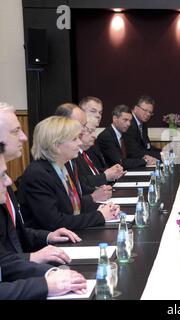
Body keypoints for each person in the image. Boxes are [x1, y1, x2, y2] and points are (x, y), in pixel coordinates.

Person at [0, 141, 87, 299]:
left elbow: (4, 259)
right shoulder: (37, 172)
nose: (9, 182)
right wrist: (46, 285)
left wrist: (51, 273)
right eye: (2, 175)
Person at [0, 102, 81, 265]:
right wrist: (32, 259)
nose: (24, 137)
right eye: (16, 131)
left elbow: (17, 233)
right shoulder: (36, 173)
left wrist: (48, 236)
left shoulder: (5, 178)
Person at [18, 116, 120, 231]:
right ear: (56, 144)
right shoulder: (37, 174)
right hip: (49, 245)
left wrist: (104, 208)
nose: (80, 143)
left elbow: (74, 205)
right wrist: (100, 216)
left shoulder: (64, 167)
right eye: (74, 139)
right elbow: (54, 222)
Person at [55, 103, 112, 202]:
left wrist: (99, 192)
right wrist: (93, 198)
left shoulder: (71, 156)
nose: (83, 130)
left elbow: (81, 188)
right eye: (82, 125)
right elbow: (65, 209)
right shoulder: (48, 168)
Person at [97, 104, 148, 170]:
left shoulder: (125, 134)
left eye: (130, 121)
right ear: (115, 119)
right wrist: (145, 161)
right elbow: (120, 162)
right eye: (125, 120)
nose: (128, 124)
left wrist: (144, 157)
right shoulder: (106, 137)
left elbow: (132, 154)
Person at [124, 94, 161, 163]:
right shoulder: (128, 124)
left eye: (150, 112)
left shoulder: (142, 124)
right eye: (145, 110)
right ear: (135, 108)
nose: (148, 114)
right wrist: (161, 155)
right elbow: (135, 152)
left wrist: (163, 152)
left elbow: (147, 147)